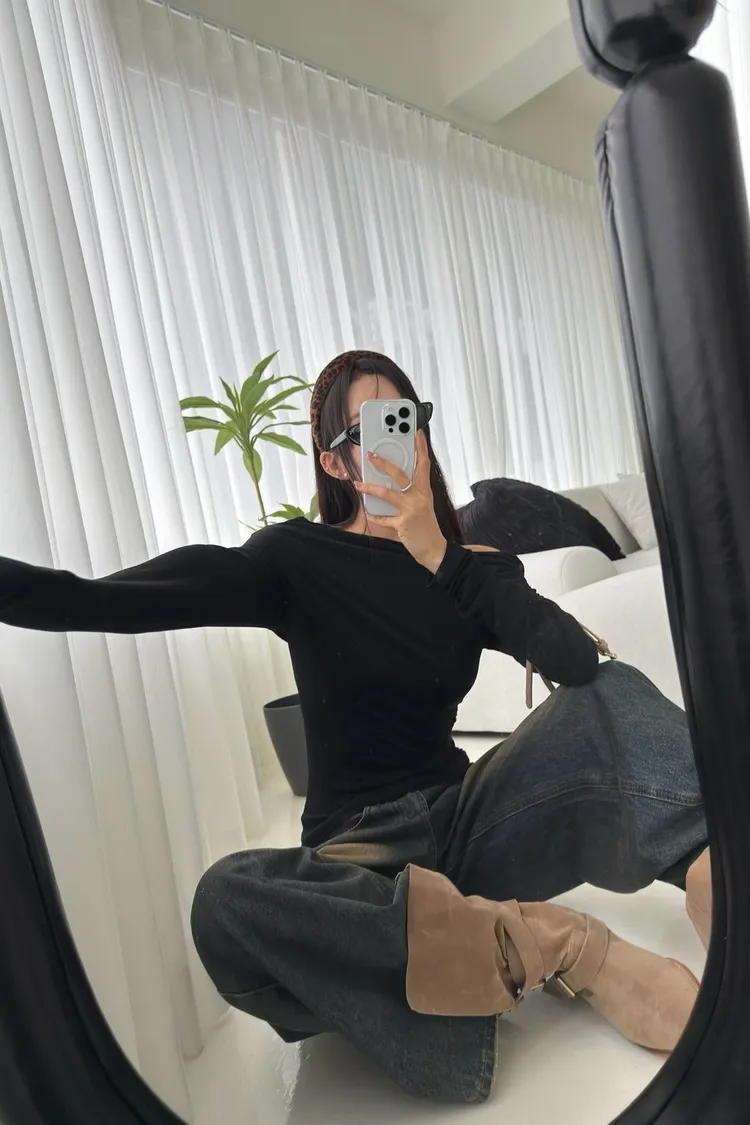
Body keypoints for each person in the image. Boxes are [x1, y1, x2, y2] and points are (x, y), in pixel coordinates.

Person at [0, 349, 710, 1103]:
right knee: (226, 904)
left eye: (406, 419)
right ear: (334, 462)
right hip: (361, 863)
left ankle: (698, 865)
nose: (396, 440)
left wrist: (440, 556)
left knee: (611, 698)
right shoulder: (293, 560)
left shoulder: (472, 565)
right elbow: (101, 599)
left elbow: (575, 662)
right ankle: (558, 946)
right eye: (368, 429)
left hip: (467, 830)